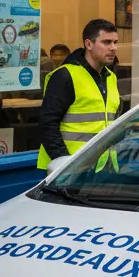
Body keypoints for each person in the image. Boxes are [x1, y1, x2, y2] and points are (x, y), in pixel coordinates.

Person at [37, 20, 120, 170]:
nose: (113, 48)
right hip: (70, 169)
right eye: (106, 42)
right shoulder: (65, 76)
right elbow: (48, 124)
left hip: (103, 168)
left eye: (115, 42)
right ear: (88, 44)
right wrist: (64, 164)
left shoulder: (111, 77)